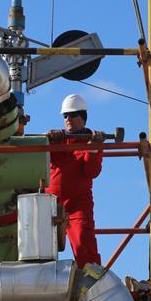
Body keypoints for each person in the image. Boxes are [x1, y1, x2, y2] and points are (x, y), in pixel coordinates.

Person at [46, 94, 106, 267]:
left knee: (83, 244)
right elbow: (36, 148)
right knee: (38, 250)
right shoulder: (56, 139)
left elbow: (92, 171)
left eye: (72, 115)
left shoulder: (92, 141)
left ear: (83, 118)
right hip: (50, 204)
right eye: (65, 116)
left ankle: (92, 280)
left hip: (77, 205)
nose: (68, 119)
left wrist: (93, 148)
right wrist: (48, 137)